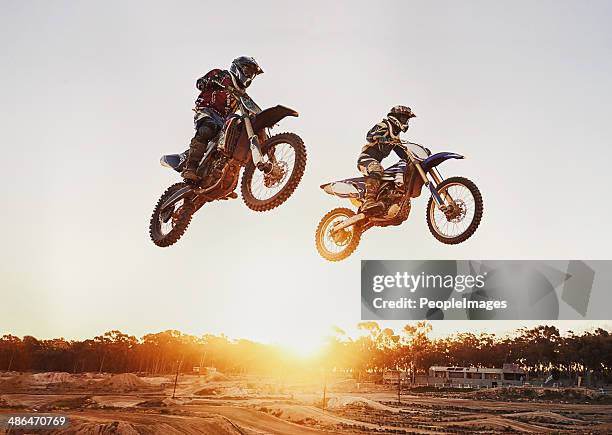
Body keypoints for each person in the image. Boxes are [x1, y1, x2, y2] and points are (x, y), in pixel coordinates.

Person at [181, 56, 264, 181]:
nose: (248, 75)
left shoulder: (242, 93)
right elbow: (200, 83)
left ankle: (224, 176)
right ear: (238, 68)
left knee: (237, 139)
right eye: (247, 71)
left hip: (224, 121)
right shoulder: (221, 75)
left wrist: (260, 115)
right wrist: (212, 81)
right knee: (207, 130)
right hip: (207, 111)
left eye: (251, 74)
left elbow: (250, 107)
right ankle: (190, 168)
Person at [357, 105, 417, 213]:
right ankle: (368, 201)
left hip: (375, 162)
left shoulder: (396, 136)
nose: (406, 121)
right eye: (404, 118)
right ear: (396, 117)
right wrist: (380, 137)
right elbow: (369, 136)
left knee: (402, 166)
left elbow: (402, 153)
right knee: (377, 169)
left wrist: (415, 156)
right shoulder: (384, 125)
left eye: (407, 119)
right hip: (365, 159)